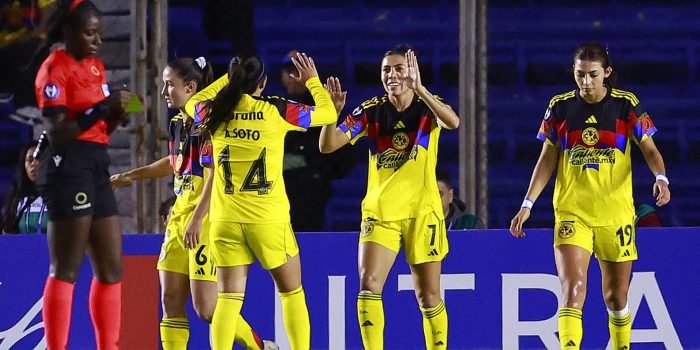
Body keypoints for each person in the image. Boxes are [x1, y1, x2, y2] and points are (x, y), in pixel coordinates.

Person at [509, 42, 671, 350]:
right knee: (573, 289)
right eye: (580, 74)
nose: (586, 82)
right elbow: (547, 158)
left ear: (606, 73)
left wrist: (661, 178)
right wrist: (527, 204)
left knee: (616, 297)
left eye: (592, 75)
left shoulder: (627, 105)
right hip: (573, 213)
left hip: (616, 215)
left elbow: (649, 149)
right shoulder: (560, 106)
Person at [110, 56, 276, 350]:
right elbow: (176, 164)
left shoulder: (210, 123)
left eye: (168, 85)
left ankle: (262, 347)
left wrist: (198, 219)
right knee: (170, 300)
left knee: (207, 308)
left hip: (205, 219)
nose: (163, 93)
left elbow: (214, 174)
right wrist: (131, 175)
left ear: (190, 87)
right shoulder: (177, 123)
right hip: (178, 219)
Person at [186, 52, 337, 350]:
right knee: (291, 292)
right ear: (263, 83)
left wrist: (227, 82)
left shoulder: (211, 111)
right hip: (268, 220)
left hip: (225, 220)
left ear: (232, 80)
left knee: (228, 299)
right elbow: (328, 113)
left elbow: (191, 103)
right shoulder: (275, 111)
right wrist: (313, 82)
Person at [319, 46, 460, 349]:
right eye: (386, 70)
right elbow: (328, 145)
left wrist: (421, 89)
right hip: (381, 211)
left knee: (429, 296)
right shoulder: (371, 110)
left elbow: (453, 122)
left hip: (422, 212)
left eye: (398, 68)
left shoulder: (427, 109)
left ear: (411, 71)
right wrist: (331, 115)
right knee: (369, 285)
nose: (392, 75)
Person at [32, 1, 136, 349]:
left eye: (99, 35)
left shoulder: (95, 67)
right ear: (69, 31)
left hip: (96, 162)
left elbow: (97, 121)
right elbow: (59, 131)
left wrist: (117, 113)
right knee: (67, 267)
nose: (97, 42)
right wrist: (101, 109)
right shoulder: (53, 69)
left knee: (112, 267)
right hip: (67, 165)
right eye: (90, 34)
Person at [281, 49, 354, 232]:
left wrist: (318, 172)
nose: (292, 76)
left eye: (297, 71)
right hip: (279, 190)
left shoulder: (326, 107)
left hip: (313, 191)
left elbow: (343, 155)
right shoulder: (275, 107)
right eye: (287, 71)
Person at [1, 139, 49, 234]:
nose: (33, 164)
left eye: (39, 158)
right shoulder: (16, 200)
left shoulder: (62, 197)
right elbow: (7, 236)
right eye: (30, 160)